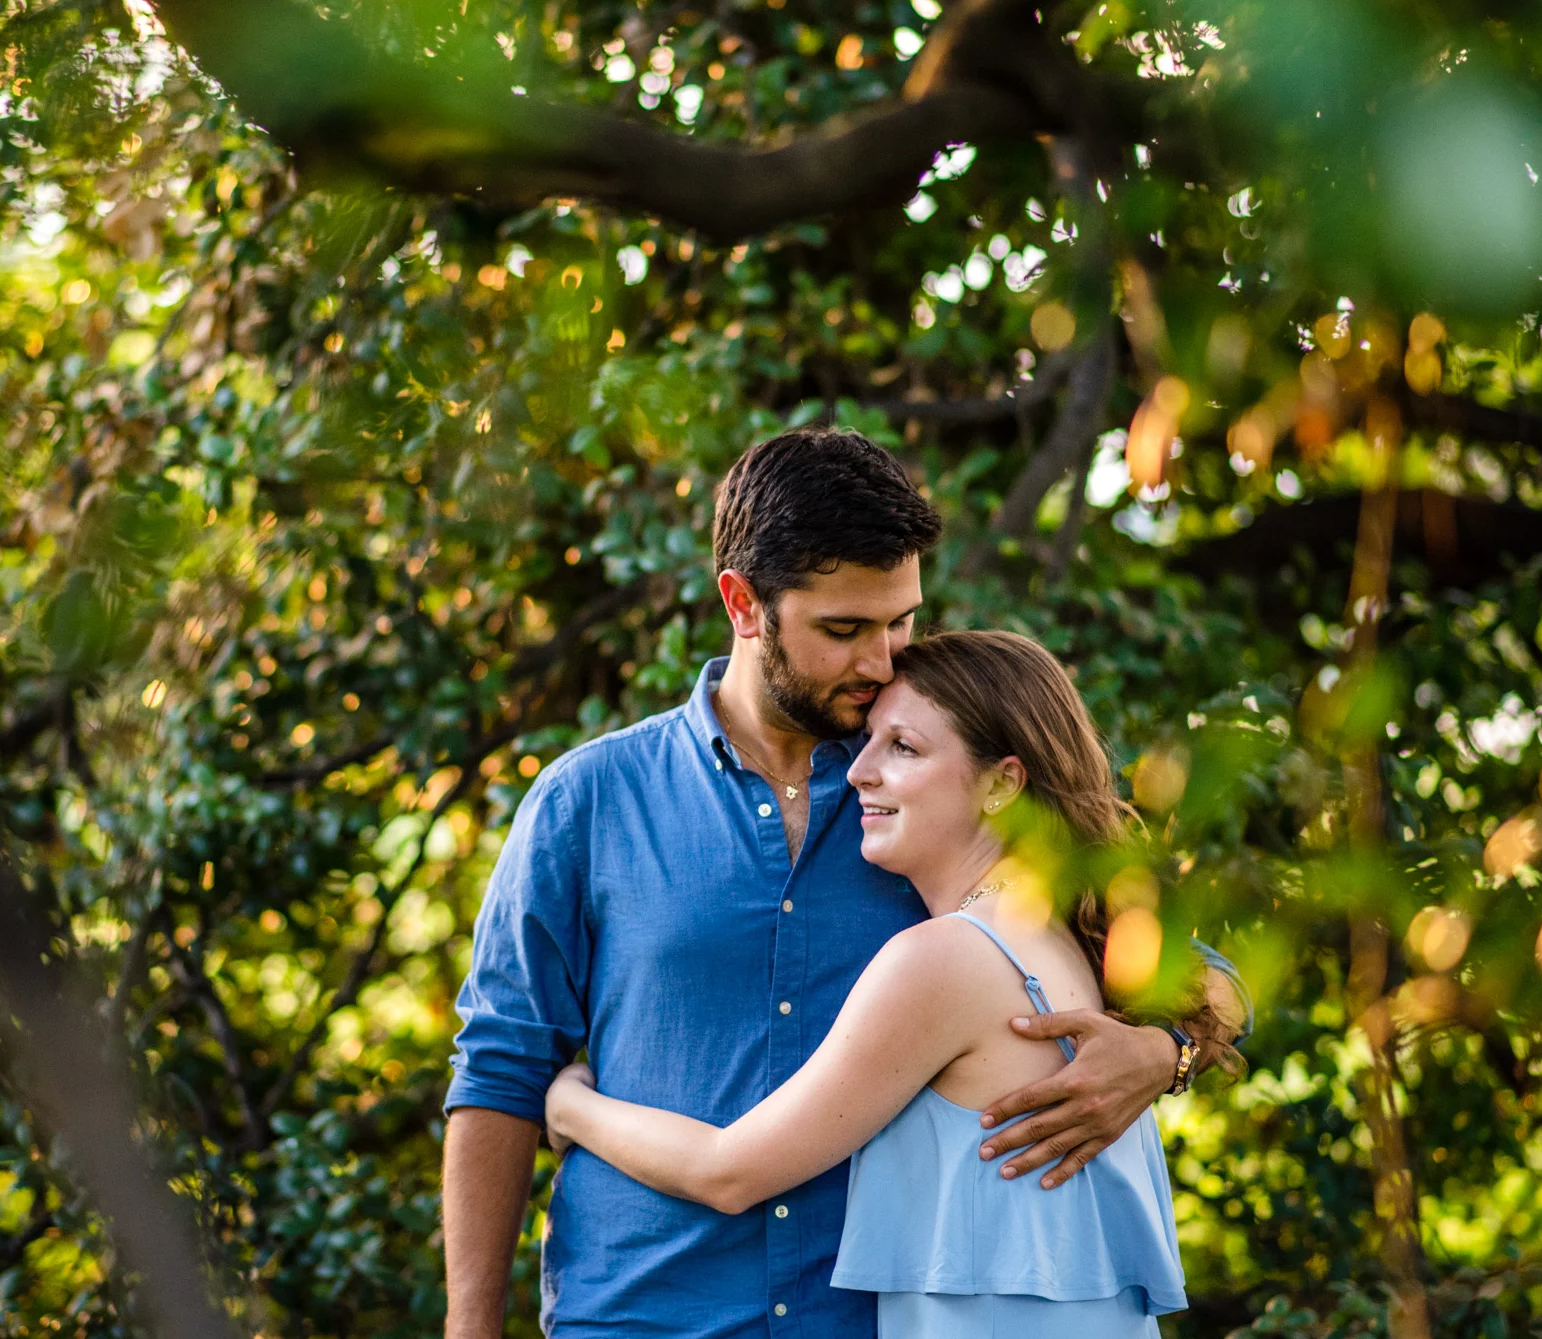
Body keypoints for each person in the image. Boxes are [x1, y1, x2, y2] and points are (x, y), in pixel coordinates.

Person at [442, 429, 1247, 1339]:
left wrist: (1161, 1051)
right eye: (844, 629)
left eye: (900, 621)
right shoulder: (587, 802)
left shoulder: (934, 802)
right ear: (744, 605)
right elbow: (501, 1071)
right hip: (639, 1318)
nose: (881, 660)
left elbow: (1199, 969)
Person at [543, 630, 1193, 1338]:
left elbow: (728, 1172)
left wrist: (572, 1104)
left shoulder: (946, 959)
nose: (858, 773)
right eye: (869, 742)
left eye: (903, 749)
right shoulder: (1073, 939)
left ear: (1003, 783)